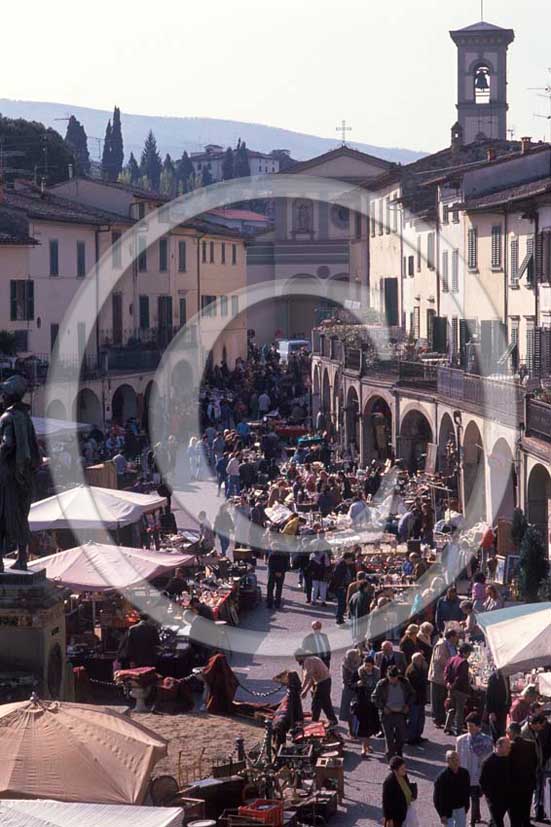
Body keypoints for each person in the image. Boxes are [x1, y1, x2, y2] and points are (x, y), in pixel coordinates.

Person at [456, 712, 493, 826]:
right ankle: (475, 817)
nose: (469, 729)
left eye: (471, 726)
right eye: (467, 726)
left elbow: (488, 760)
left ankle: (472, 821)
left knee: (475, 798)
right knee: (469, 799)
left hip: (479, 775)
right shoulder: (460, 740)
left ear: (478, 727)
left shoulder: (487, 741)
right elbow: (457, 758)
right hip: (465, 775)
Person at [372, 665, 415, 760]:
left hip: (401, 713)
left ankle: (399, 752)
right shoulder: (382, 684)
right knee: (389, 738)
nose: (393, 680)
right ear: (387, 676)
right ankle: (391, 758)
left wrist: (407, 705)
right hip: (387, 714)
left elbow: (412, 695)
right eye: (391, 678)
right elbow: (374, 697)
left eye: (394, 678)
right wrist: (383, 708)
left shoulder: (404, 683)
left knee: (401, 737)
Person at [295, 649, 337, 726]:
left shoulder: (308, 660)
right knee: (325, 703)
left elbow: (308, 676)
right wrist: (305, 690)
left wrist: (302, 688)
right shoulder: (312, 659)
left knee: (316, 703)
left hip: (322, 682)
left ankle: (314, 721)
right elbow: (312, 679)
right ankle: (333, 720)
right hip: (324, 681)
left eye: (297, 658)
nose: (297, 661)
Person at [507, 721, 538, 827]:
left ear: (511, 732)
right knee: (525, 809)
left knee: (515, 813)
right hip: (528, 782)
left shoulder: (509, 747)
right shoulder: (531, 744)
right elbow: (535, 762)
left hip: (514, 785)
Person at [428, 629, 459, 728]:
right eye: (456, 636)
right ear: (451, 637)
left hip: (445, 676)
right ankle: (437, 719)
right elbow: (440, 659)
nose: (457, 638)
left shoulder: (451, 644)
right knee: (437, 698)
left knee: (443, 698)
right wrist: (452, 666)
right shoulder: (441, 645)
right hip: (438, 676)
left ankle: (443, 718)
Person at [479, 737, 512, 827]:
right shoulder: (488, 762)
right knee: (498, 823)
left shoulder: (508, 759)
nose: (509, 749)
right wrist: (490, 797)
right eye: (507, 747)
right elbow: (483, 782)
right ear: (499, 746)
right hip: (495, 800)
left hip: (508, 797)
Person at [433, 750, 471, 827]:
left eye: (457, 759)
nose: (455, 761)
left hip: (461, 808)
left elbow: (467, 791)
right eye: (452, 759)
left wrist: (466, 806)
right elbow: (437, 798)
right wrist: (441, 814)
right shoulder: (442, 777)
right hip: (447, 811)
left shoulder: (464, 773)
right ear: (447, 761)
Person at [353, 657, 380, 757]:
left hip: (373, 704)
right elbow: (350, 684)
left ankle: (367, 745)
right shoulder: (358, 673)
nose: (367, 667)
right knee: (363, 727)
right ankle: (363, 748)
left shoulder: (377, 673)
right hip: (363, 704)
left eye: (369, 665)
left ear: (373, 665)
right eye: (365, 665)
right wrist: (357, 684)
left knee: (371, 727)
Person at [444, 643, 472, 736]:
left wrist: (448, 683)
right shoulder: (463, 662)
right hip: (460, 689)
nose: (469, 655)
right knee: (460, 710)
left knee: (451, 708)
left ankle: (447, 726)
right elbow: (461, 677)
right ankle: (458, 729)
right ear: (465, 652)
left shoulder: (452, 659)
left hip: (451, 687)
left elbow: (446, 671)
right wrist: (454, 685)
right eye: (469, 653)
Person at [382, 756, 418, 827]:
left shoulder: (403, 775)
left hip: (406, 809)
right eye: (402, 769)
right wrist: (389, 819)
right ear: (395, 770)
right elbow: (386, 803)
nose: (405, 770)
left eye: (405, 767)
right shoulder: (389, 782)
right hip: (396, 816)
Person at [405, 652, 428, 745]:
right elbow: (420, 684)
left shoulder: (418, 668)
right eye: (422, 660)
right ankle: (411, 738)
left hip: (420, 699)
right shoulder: (412, 671)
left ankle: (417, 736)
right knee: (414, 719)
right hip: (415, 699)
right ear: (417, 660)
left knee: (420, 719)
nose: (423, 661)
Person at [485, 669, 511, 742]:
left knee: (502, 730)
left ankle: (501, 747)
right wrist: (491, 711)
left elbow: (508, 691)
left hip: (504, 708)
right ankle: (496, 748)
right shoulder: (493, 678)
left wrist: (509, 704)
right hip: (496, 709)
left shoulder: (506, 676)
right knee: (496, 731)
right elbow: (489, 696)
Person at [339, 649, 362, 729]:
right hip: (348, 689)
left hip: (359, 688)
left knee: (360, 709)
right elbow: (346, 680)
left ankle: (358, 728)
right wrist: (355, 684)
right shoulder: (345, 665)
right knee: (349, 711)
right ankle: (351, 730)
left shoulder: (360, 662)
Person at [331, 551, 356, 625]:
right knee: (341, 603)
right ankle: (339, 619)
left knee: (343, 603)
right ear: (347, 559)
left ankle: (340, 618)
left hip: (343, 587)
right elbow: (337, 577)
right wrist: (342, 585)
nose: (352, 561)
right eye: (351, 559)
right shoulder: (341, 565)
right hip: (341, 587)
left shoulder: (345, 565)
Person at [348, 580, 372, 645]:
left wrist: (351, 615)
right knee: (362, 634)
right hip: (363, 617)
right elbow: (368, 607)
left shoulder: (354, 595)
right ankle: (360, 650)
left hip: (354, 617)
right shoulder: (366, 596)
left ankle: (357, 645)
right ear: (365, 587)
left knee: (356, 634)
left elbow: (350, 605)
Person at [266, 544, 290, 609]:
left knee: (270, 588)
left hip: (272, 573)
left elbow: (270, 565)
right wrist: (281, 572)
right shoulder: (284, 555)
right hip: (281, 574)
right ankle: (277, 603)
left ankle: (270, 603)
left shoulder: (272, 555)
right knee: (279, 588)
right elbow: (287, 566)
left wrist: (275, 571)